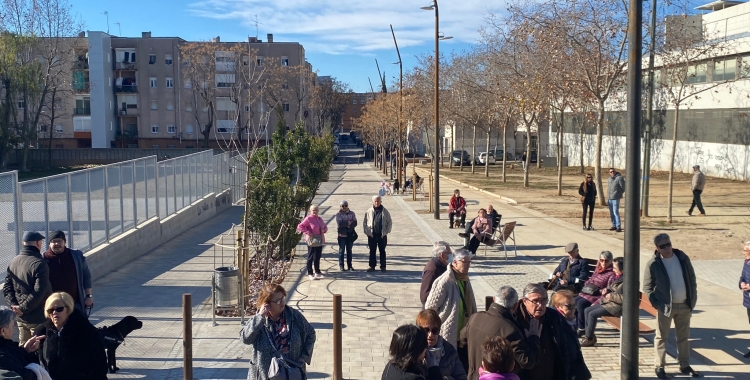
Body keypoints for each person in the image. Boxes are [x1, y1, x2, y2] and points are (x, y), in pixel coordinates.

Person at [643, 233, 700, 379]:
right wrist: (657, 304)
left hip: (685, 305)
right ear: (657, 248)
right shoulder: (653, 264)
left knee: (683, 337)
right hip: (666, 307)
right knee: (661, 337)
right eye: (663, 246)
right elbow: (648, 287)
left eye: (669, 244)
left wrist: (692, 299)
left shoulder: (682, 258)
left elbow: (692, 278)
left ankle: (684, 365)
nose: (667, 248)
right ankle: (659, 366)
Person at [460, 286, 541, 380]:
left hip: (474, 376)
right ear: (515, 306)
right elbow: (527, 361)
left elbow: (462, 339)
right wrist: (534, 338)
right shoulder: (510, 330)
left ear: (494, 299)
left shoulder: (475, 317)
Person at [513, 283, 591, 380]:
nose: (540, 305)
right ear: (525, 301)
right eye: (535, 301)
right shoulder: (515, 320)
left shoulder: (553, 317)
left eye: (544, 300)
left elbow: (569, 348)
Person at [241, 284, 316, 380]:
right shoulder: (259, 320)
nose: (282, 303)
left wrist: (304, 357)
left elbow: (311, 334)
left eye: (283, 298)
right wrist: (260, 317)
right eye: (278, 301)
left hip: (291, 373)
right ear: (266, 304)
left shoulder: (294, 315)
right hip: (264, 375)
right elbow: (245, 339)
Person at [34, 292, 108, 380]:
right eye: (50, 310)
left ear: (68, 309)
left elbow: (100, 364)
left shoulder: (86, 331)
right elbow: (36, 362)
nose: (54, 312)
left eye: (59, 309)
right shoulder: (42, 332)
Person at [425, 249, 477, 371]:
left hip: (465, 334)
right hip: (449, 332)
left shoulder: (465, 279)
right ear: (454, 262)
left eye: (470, 262)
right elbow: (430, 307)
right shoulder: (445, 281)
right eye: (465, 262)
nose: (468, 265)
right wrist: (435, 329)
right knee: (450, 367)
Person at [3, 232, 52, 346]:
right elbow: (39, 291)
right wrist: (23, 308)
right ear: (38, 243)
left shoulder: (13, 261)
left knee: (24, 347)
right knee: (41, 348)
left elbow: (7, 288)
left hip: (21, 318)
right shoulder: (39, 263)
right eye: (41, 242)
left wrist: (15, 306)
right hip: (38, 317)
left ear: (23, 243)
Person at [43, 231, 93, 315]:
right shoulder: (43, 259)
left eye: (59, 241)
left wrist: (88, 296)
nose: (56, 244)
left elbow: (86, 276)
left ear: (64, 242)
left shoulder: (76, 256)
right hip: (53, 307)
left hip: (75, 303)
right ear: (49, 244)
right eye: (53, 241)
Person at [580, 257, 625, 347]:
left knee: (592, 314)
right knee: (587, 310)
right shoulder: (618, 277)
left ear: (623, 269)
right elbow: (612, 288)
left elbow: (626, 299)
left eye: (615, 268)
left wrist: (611, 296)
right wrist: (607, 290)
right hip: (610, 303)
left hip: (617, 306)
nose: (613, 270)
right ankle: (590, 335)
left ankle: (589, 338)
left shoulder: (628, 281)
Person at [416, 309, 466, 380]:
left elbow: (461, 376)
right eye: (426, 330)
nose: (430, 335)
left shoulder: (449, 351)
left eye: (434, 330)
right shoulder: (413, 351)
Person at [0, 306, 48, 380]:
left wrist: (25, 350)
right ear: (3, 331)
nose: (13, 329)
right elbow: (25, 375)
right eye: (12, 326)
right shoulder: (3, 355)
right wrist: (37, 369)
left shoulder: (6, 347)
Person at [574, 251, 615, 337]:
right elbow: (591, 279)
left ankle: (582, 328)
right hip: (588, 292)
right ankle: (577, 325)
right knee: (574, 301)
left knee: (580, 304)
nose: (604, 263)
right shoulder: (598, 269)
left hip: (597, 296)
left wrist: (597, 301)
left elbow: (608, 290)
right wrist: (587, 284)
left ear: (611, 261)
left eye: (606, 261)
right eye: (602, 260)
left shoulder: (611, 273)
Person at [297, 204, 329, 281]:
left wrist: (324, 230)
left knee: (317, 256)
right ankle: (310, 273)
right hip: (311, 240)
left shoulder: (320, 219)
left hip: (319, 240)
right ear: (310, 211)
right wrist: (308, 232)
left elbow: (325, 227)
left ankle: (317, 272)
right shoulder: (308, 219)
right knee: (310, 257)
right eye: (313, 210)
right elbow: (300, 226)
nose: (315, 211)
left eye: (316, 210)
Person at [364, 195, 392, 272]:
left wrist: (387, 231)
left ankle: (383, 266)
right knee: (372, 251)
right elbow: (365, 222)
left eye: (378, 201)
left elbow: (389, 222)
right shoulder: (369, 211)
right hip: (372, 235)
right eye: (375, 201)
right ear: (373, 202)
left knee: (382, 250)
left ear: (381, 202)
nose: (376, 203)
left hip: (382, 235)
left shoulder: (385, 211)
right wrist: (367, 231)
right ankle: (372, 266)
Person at [420, 242, 452, 306]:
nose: (451, 255)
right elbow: (425, 296)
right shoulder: (432, 270)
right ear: (442, 255)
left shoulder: (443, 265)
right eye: (449, 253)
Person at [335, 200, 357, 271]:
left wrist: (347, 224)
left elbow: (355, 223)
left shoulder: (352, 213)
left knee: (349, 250)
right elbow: (340, 223)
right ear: (340, 207)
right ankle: (341, 266)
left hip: (350, 235)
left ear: (348, 206)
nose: (344, 207)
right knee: (341, 251)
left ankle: (349, 266)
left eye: (345, 206)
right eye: (342, 206)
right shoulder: (338, 214)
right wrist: (349, 223)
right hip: (342, 235)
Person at [740, 241, 750, 359]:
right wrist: (741, 283)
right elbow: (742, 276)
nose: (743, 253)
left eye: (746, 251)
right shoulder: (746, 262)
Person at [607, 168, 625, 232]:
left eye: (613, 171)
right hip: (609, 198)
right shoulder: (609, 179)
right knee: (611, 213)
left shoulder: (619, 178)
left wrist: (618, 194)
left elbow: (623, 187)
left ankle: (618, 226)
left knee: (615, 212)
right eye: (610, 172)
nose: (612, 173)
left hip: (616, 198)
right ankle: (613, 225)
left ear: (615, 172)